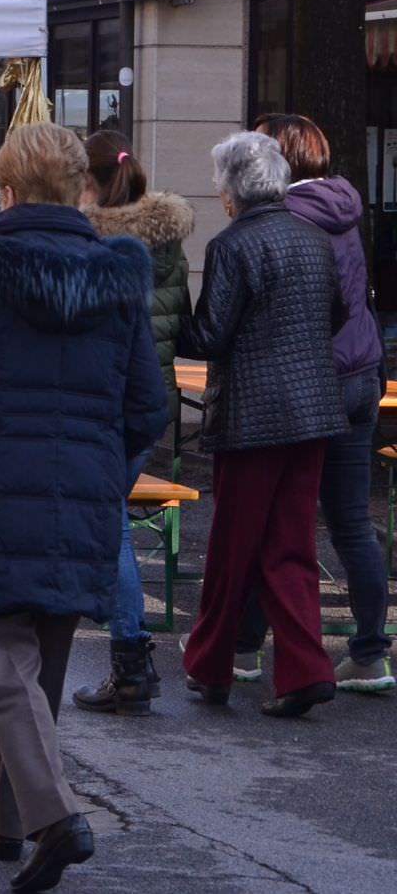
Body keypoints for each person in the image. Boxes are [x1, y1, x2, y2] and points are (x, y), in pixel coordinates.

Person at [0, 123, 165, 892]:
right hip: (83, 490)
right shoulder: (119, 272)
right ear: (77, 188)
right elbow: (147, 403)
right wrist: (104, 472)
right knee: (39, 662)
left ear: (9, 191)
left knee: (4, 663)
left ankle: (54, 817)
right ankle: (7, 819)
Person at [178, 131, 348, 719]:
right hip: (312, 411)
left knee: (232, 546)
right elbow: (338, 313)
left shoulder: (233, 246)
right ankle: (305, 669)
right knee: (291, 546)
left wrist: (172, 316)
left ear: (232, 192)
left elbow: (210, 336)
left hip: (253, 414)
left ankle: (210, 665)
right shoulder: (313, 238)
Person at [230, 116, 392, 692]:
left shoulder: (285, 218)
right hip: (362, 373)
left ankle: (244, 648)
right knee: (351, 522)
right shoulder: (344, 207)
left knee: (270, 515)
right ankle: (371, 652)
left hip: (306, 382)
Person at [70, 131, 194, 716]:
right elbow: (182, 324)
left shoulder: (95, 244)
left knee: (110, 522)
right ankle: (126, 650)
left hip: (107, 403)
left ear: (88, 182)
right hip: (155, 403)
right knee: (107, 516)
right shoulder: (169, 242)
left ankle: (130, 655)